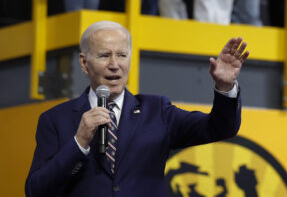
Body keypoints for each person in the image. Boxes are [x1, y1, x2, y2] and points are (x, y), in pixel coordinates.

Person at [25, 21, 246, 196]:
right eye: (104, 55)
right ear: (84, 63)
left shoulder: (157, 111)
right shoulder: (55, 120)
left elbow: (220, 128)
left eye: (122, 55)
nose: (115, 64)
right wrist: (79, 143)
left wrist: (225, 87)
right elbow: (36, 190)